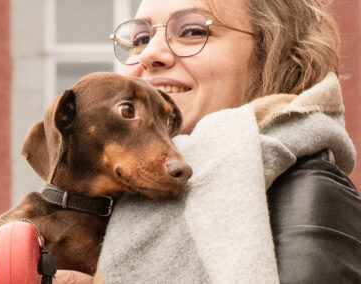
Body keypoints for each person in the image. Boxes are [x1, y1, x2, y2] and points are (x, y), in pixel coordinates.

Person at [24, 0, 361, 283]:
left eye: (192, 32)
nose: (149, 54)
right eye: (140, 38)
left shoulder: (310, 191)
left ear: (275, 53)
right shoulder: (114, 198)